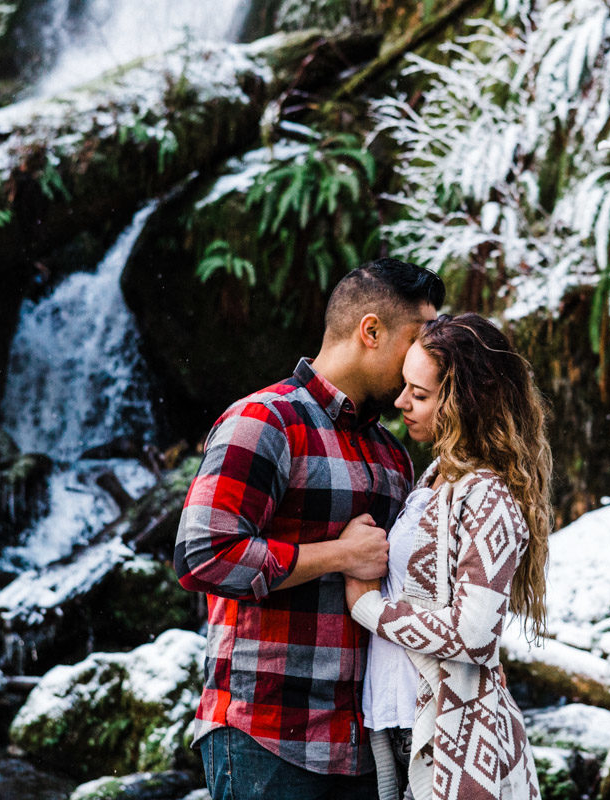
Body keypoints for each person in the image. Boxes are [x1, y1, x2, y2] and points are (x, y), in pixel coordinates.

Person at [174, 258, 445, 800]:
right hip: (267, 737)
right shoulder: (265, 420)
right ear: (371, 330)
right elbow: (202, 555)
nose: (424, 357)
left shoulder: (393, 455)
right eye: (417, 338)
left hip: (368, 745)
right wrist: (338, 555)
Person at [343, 313, 551, 800]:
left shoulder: (488, 495)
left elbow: (475, 634)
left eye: (420, 394)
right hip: (398, 722)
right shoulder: (436, 480)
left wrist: (367, 608)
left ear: (464, 402)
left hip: (451, 732)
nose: (401, 403)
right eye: (404, 387)